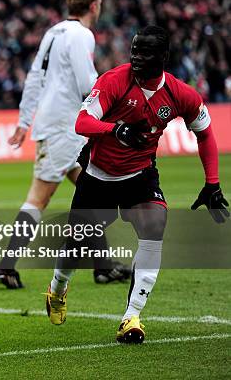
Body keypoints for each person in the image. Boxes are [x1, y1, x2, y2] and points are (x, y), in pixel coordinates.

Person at [44, 25, 229, 343]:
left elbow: (206, 134)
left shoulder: (180, 94)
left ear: (164, 57)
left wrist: (212, 183)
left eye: (145, 52)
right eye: (134, 51)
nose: (136, 57)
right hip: (98, 175)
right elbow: (82, 121)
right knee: (76, 248)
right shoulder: (114, 80)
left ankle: (131, 317)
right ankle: (57, 289)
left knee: (155, 226)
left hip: (141, 174)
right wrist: (115, 130)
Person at [0, 0, 129, 288]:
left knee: (92, 192)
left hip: (58, 124)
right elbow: (88, 83)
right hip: (65, 127)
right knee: (39, 198)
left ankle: (103, 265)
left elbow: (34, 78)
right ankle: (5, 265)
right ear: (95, 6)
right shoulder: (82, 35)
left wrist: (24, 121)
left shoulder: (53, 32)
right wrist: (114, 110)